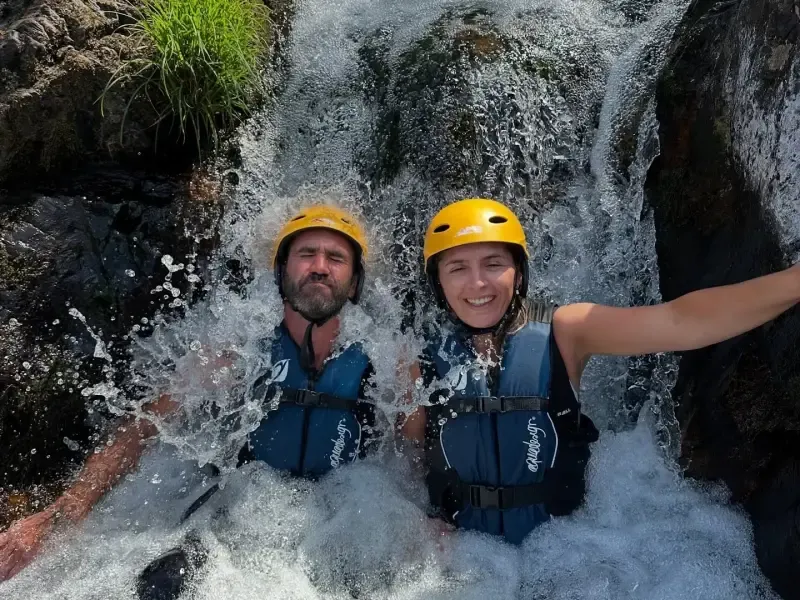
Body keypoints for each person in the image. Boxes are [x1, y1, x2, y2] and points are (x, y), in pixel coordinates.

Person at [0, 205, 380, 598]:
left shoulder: (382, 363)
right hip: (238, 519)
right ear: (281, 273)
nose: (320, 267)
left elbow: (411, 462)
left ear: (354, 283)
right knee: (164, 584)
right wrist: (64, 511)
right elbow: (144, 427)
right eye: (306, 254)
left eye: (336, 258)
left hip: (340, 522)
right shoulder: (239, 352)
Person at [401, 197, 800, 545]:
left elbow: (681, 321)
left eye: (494, 264)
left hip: (567, 550)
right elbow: (407, 460)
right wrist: (420, 520)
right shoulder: (417, 357)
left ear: (518, 272)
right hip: (469, 558)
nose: (477, 283)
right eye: (457, 268)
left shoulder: (567, 330)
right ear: (439, 281)